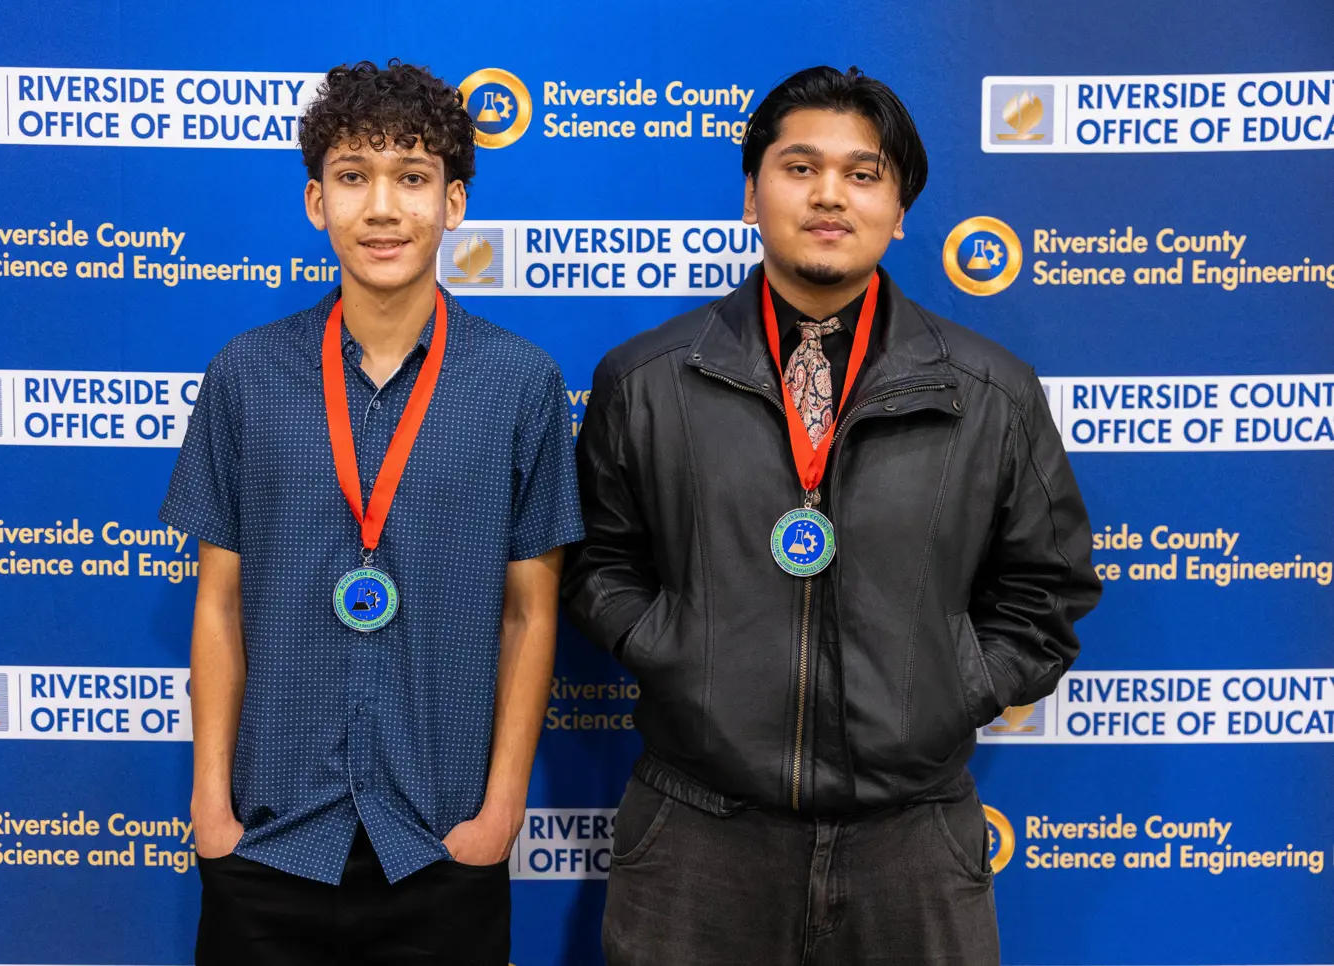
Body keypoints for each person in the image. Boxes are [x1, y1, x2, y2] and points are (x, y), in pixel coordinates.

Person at [564, 66, 1101, 965]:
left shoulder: (991, 393)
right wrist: (672, 649)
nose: (829, 195)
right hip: (697, 833)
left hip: (913, 840)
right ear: (751, 194)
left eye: (863, 174)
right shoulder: (647, 379)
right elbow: (595, 561)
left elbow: (1047, 590)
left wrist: (954, 685)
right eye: (800, 167)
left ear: (900, 210)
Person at [161, 60, 582, 966]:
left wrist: (501, 810)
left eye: (413, 177)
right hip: (269, 840)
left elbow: (530, 613)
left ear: (454, 202)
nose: (383, 208)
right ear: (317, 202)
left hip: (440, 842)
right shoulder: (247, 374)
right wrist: (210, 809)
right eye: (354, 176)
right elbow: (219, 602)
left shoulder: (521, 383)